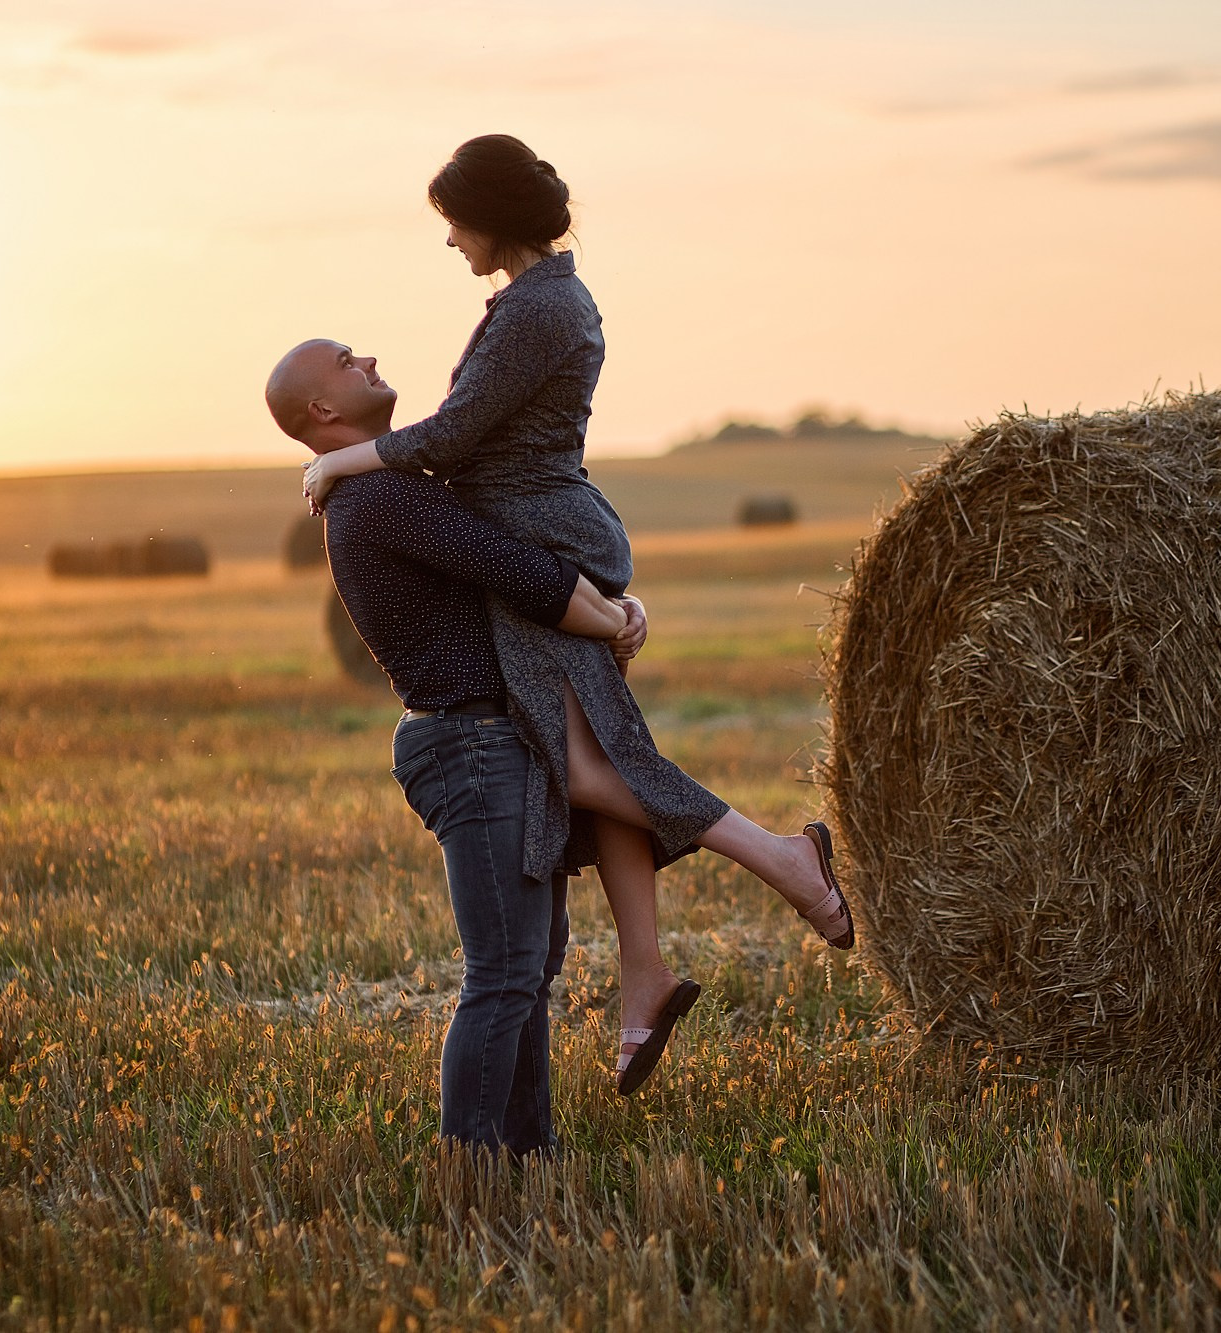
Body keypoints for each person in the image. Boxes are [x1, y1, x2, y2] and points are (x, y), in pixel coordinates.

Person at [295, 135, 852, 1092]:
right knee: (596, 752)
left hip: (543, 538)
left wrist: (343, 459)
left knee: (594, 765)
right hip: (550, 534)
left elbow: (460, 434)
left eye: (454, 222)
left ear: (491, 214)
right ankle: (644, 975)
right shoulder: (541, 299)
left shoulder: (538, 306)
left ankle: (784, 860)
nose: (451, 241)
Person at [266, 338, 638, 1155]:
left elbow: (524, 569)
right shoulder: (380, 500)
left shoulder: (385, 487)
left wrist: (616, 607)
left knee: (528, 971)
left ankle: (529, 1157)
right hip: (470, 745)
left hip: (494, 739)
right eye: (343, 358)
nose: (365, 356)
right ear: (323, 411)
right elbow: (522, 572)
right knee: (505, 972)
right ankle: (471, 1171)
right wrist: (614, 617)